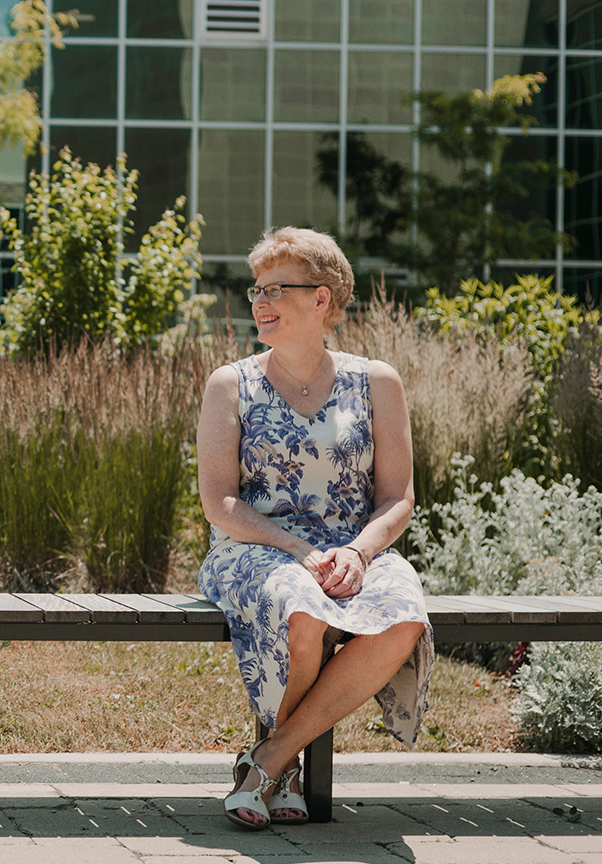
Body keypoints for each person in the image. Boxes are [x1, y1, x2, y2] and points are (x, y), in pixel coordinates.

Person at [195, 227, 432, 830]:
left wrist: (356, 551)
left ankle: (271, 758)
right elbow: (220, 503)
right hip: (255, 548)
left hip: (355, 551)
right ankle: (285, 771)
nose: (259, 302)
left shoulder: (377, 381)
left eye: (276, 289)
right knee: (303, 607)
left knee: (405, 615)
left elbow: (398, 498)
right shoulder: (232, 384)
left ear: (322, 298)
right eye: (256, 289)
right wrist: (300, 550)